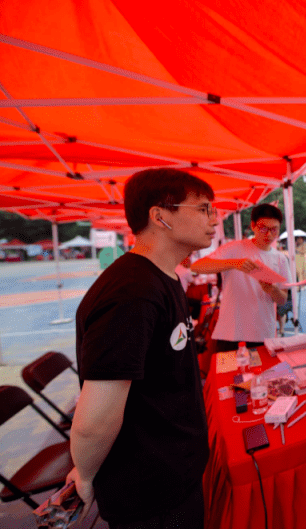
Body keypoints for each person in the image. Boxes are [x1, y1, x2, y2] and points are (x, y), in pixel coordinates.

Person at [67, 168, 217, 528]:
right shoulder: (131, 293)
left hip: (174, 477)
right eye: (203, 209)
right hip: (150, 493)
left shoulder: (163, 278)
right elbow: (94, 419)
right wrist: (84, 474)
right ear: (160, 215)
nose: (214, 219)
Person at [191, 204, 290, 351]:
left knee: (262, 373)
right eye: (263, 228)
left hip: (263, 334)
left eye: (274, 229)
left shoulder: (280, 259)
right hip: (231, 333)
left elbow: (282, 299)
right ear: (253, 226)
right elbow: (197, 266)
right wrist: (233, 263)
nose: (269, 234)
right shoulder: (234, 248)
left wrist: (273, 290)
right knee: (227, 374)